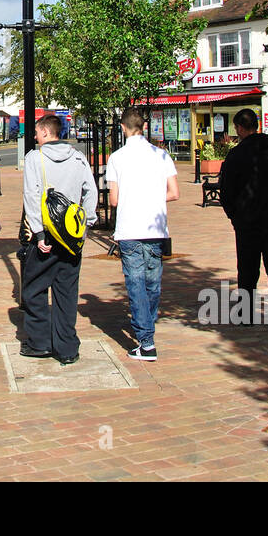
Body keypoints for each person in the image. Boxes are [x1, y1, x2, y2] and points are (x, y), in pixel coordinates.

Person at [20, 113, 97, 364]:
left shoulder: (35, 158)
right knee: (67, 292)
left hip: (46, 234)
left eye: (36, 132)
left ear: (44, 132)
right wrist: (86, 225)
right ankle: (67, 348)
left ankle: (40, 342)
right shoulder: (78, 157)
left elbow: (32, 196)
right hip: (72, 237)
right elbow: (91, 191)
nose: (34, 136)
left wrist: (38, 232)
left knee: (34, 290)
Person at [218, 108, 268, 339]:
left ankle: (245, 314)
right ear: (257, 124)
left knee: (247, 268)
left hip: (247, 222)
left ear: (240, 128)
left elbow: (226, 192)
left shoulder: (236, 156)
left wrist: (234, 216)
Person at [106, 106, 179, 362]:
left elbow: (113, 200)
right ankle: (148, 332)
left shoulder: (116, 158)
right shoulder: (162, 155)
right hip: (156, 227)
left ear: (123, 128)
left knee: (135, 283)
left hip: (129, 229)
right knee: (152, 283)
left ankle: (146, 341)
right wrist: (153, 199)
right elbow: (174, 192)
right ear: (144, 127)